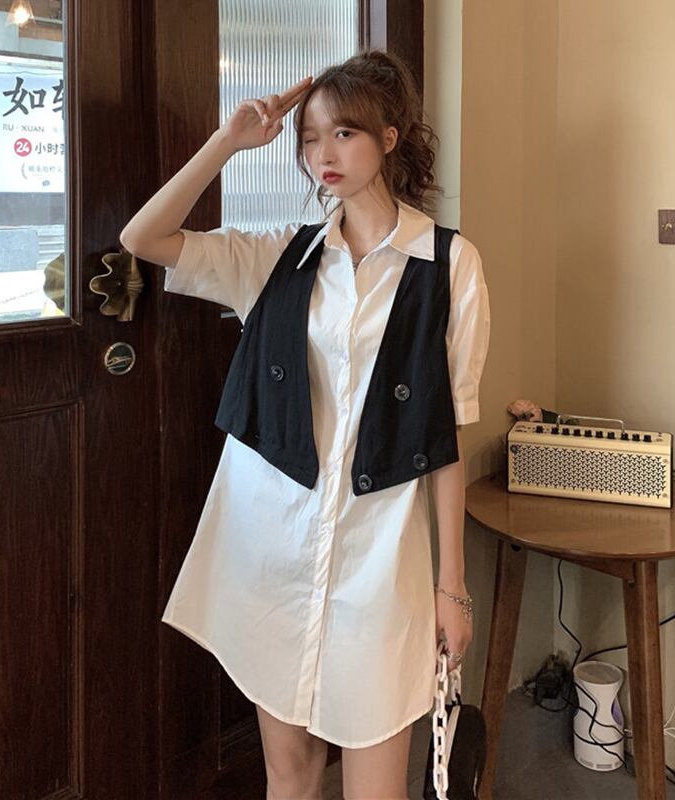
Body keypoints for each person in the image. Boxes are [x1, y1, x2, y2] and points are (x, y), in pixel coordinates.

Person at [121, 49, 490, 800]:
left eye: (344, 133)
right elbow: (143, 238)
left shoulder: (449, 265)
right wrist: (229, 141)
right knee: (288, 775)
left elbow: (446, 438)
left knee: (376, 786)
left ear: (390, 137)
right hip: (273, 549)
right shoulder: (281, 258)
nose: (323, 153)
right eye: (311, 137)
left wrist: (452, 588)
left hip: (378, 561)